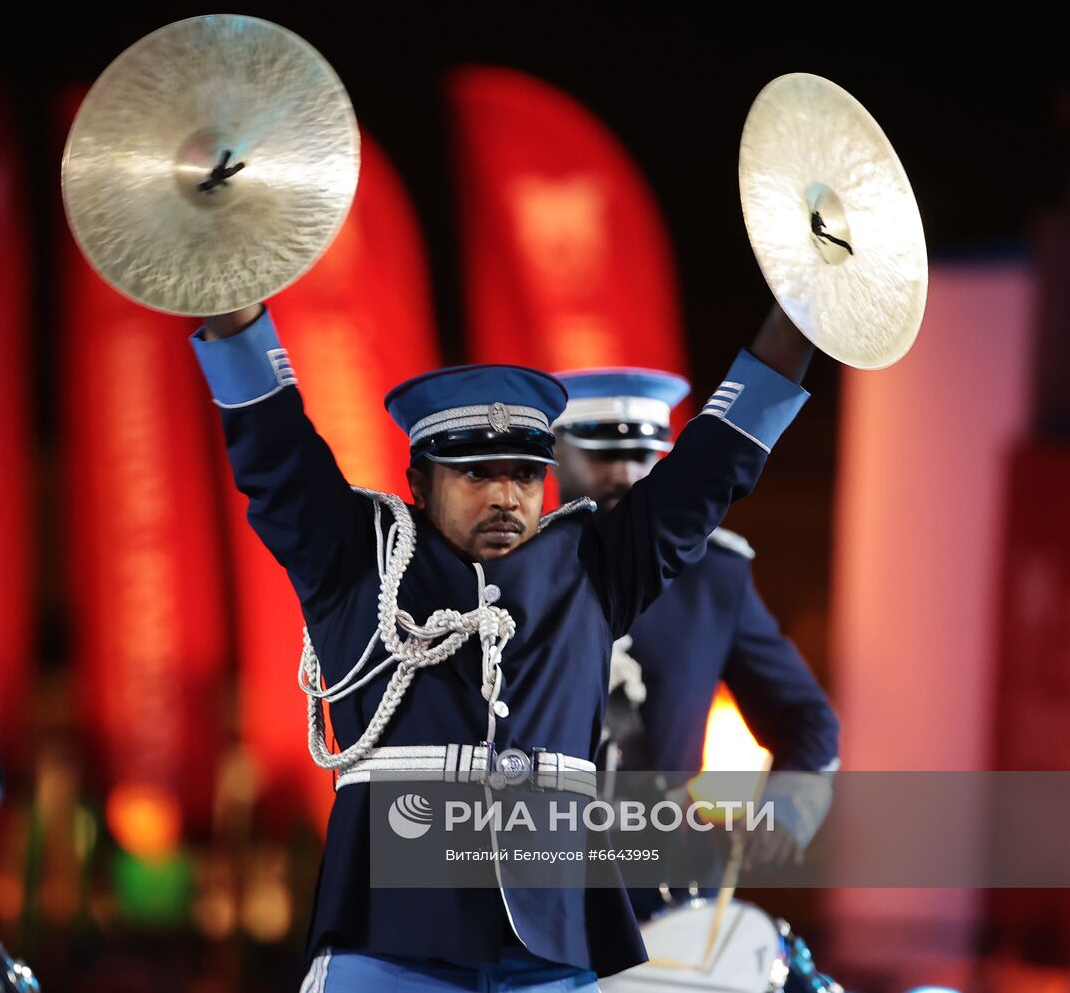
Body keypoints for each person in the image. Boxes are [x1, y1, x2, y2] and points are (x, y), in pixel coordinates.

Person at [193, 299, 814, 991]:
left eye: (523, 474)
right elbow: (274, 450)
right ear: (418, 485)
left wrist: (800, 312)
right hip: (389, 943)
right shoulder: (352, 561)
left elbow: (712, 465)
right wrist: (233, 294)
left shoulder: (594, 569)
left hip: (555, 950)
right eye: (474, 473)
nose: (504, 497)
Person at [552, 367, 839, 881]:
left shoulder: (712, 575)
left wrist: (787, 808)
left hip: (663, 875)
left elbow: (804, 717)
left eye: (641, 456)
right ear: (554, 450)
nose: (623, 474)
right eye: (600, 454)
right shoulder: (507, 566)